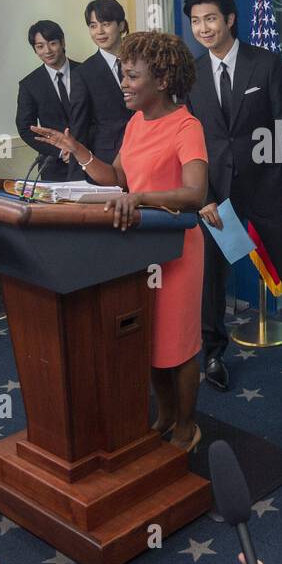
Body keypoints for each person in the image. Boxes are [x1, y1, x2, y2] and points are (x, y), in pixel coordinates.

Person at [30, 31, 208, 453]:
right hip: (140, 249)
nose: (123, 83)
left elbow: (195, 194)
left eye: (131, 76)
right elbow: (117, 179)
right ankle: (164, 415)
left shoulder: (187, 125)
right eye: (123, 75)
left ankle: (187, 428)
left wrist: (141, 198)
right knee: (150, 339)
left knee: (179, 345)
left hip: (177, 248)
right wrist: (78, 150)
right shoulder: (134, 124)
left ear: (162, 80)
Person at [183, 0, 282, 397]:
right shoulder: (190, 75)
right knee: (213, 278)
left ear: (230, 19)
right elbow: (193, 142)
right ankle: (212, 354)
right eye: (195, 21)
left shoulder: (265, 64)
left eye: (210, 18)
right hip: (217, 198)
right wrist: (203, 196)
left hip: (269, 192)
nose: (203, 28)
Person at [16, 20, 86, 182]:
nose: (47, 51)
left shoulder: (86, 72)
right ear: (35, 49)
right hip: (55, 167)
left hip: (93, 160)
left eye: (52, 43)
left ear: (62, 42)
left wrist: (80, 150)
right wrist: (62, 151)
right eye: (40, 46)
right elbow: (26, 129)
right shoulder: (29, 84)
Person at [71, 0, 133, 165]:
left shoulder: (143, 60)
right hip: (109, 160)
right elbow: (79, 129)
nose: (99, 32)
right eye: (93, 26)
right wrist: (76, 178)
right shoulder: (83, 74)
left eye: (105, 24)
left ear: (120, 25)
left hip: (150, 151)